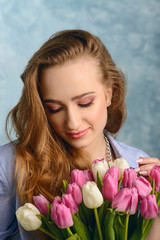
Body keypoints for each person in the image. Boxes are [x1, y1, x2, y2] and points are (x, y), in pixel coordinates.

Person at [0, 29, 159, 240]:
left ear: (109, 94)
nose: (72, 123)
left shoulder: (137, 165)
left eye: (85, 103)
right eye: (55, 108)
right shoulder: (10, 165)